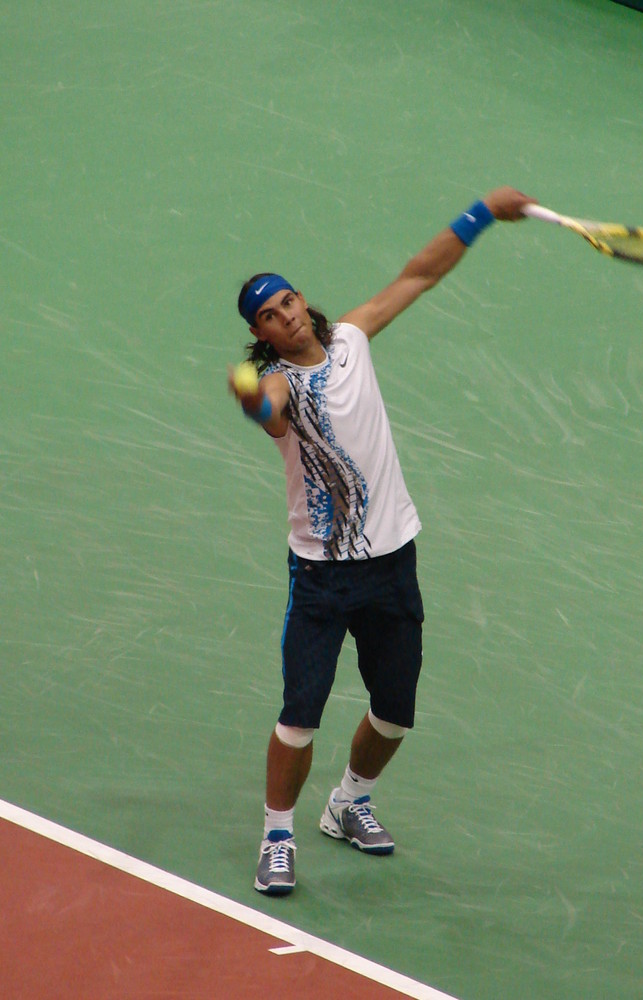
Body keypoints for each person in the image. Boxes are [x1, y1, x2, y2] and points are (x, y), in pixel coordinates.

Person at [229, 186, 533, 895]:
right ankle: (278, 835)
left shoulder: (354, 339)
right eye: (267, 317)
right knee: (299, 719)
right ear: (264, 335)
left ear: (303, 301)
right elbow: (268, 413)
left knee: (395, 712)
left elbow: (419, 273)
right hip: (322, 577)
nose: (282, 316)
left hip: (394, 562)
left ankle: (349, 802)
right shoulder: (277, 384)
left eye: (286, 302)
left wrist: (483, 211)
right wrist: (250, 394)